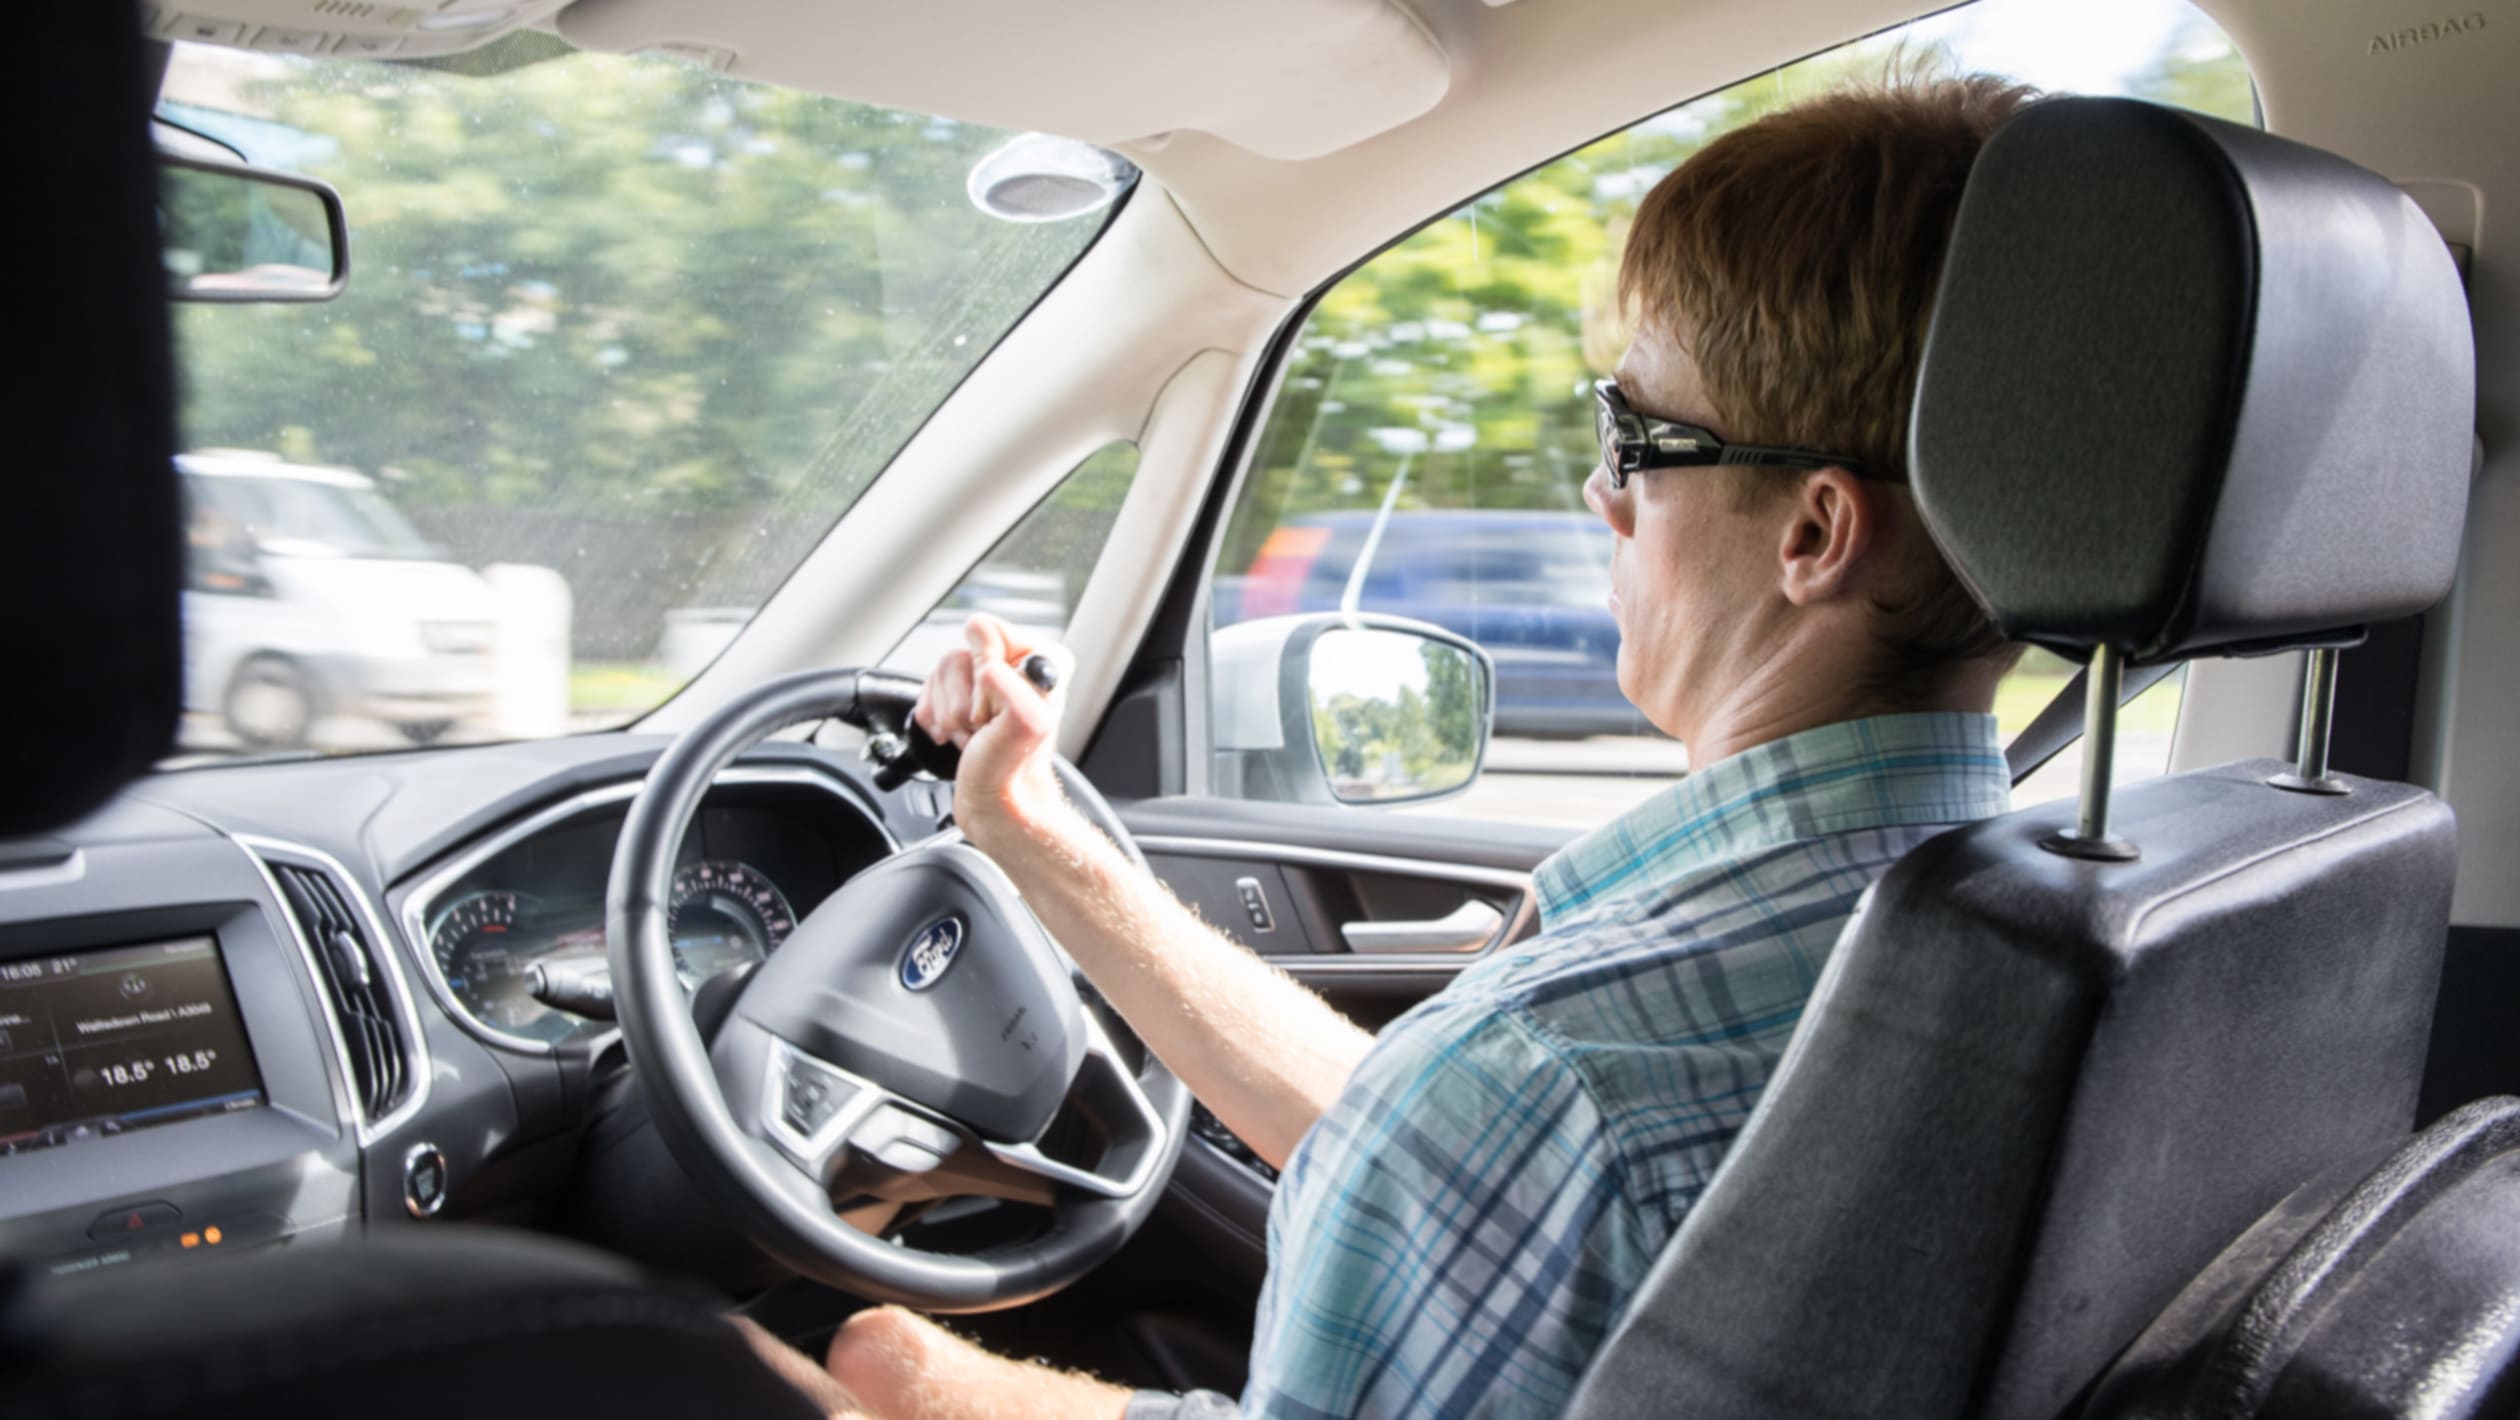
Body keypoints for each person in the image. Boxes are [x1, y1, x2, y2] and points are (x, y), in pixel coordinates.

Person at [746, 70, 2037, 1420]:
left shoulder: (1557, 1081)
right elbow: (1447, 1155)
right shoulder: (2057, 919)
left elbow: (1490, 1130)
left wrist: (838, 1392)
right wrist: (1031, 832)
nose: (1601, 494)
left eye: (1639, 435)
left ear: (1814, 537)